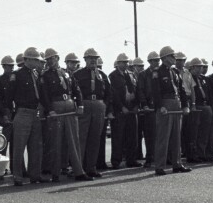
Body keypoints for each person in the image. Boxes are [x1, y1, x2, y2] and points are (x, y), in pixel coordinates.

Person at [39, 49, 91, 182]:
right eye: (48, 59)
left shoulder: (67, 73)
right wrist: (50, 110)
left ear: (57, 57)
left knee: (74, 140)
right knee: (56, 141)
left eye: (52, 58)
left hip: (70, 104)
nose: (50, 61)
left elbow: (76, 89)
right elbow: (44, 95)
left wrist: (80, 105)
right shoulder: (45, 76)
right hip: (56, 106)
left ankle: (79, 171)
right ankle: (55, 173)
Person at [6, 47, 45, 185]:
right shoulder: (16, 75)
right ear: (27, 59)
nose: (36, 62)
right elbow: (9, 96)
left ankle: (35, 175)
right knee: (19, 146)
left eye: (37, 60)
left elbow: (41, 94)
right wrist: (9, 113)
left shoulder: (36, 75)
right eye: (34, 60)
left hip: (35, 113)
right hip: (22, 112)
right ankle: (18, 176)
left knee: (36, 146)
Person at [151, 47, 191, 175]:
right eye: (171, 56)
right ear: (164, 58)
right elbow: (155, 91)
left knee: (176, 137)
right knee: (163, 137)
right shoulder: (157, 72)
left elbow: (182, 90)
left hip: (176, 103)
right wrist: (159, 106)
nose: (174, 58)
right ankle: (160, 166)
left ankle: (177, 164)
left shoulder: (175, 72)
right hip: (165, 104)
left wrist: (185, 105)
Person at [75, 48, 109, 178]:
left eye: (95, 58)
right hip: (85, 104)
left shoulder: (102, 75)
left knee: (95, 138)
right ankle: (79, 168)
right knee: (82, 137)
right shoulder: (78, 74)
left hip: (99, 105)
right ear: (85, 60)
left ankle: (91, 167)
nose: (93, 61)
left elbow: (108, 92)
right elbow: (74, 91)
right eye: (90, 58)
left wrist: (104, 105)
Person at [108, 53, 140, 169]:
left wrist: (137, 105)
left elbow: (137, 91)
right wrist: (121, 107)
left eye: (127, 62)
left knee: (132, 136)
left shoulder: (131, 75)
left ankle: (131, 160)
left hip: (131, 109)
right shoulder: (113, 76)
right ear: (118, 63)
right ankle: (116, 161)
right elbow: (113, 95)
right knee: (118, 137)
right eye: (123, 62)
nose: (126, 64)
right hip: (120, 110)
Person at [137, 51, 160, 167]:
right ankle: (150, 158)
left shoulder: (161, 73)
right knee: (149, 134)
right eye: (155, 60)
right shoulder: (143, 74)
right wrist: (144, 104)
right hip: (149, 107)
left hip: (160, 106)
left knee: (161, 134)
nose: (157, 62)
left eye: (158, 60)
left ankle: (160, 158)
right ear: (149, 62)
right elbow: (140, 90)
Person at [188, 58, 213, 162]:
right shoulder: (188, 78)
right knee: (194, 132)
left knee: (205, 132)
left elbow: (210, 93)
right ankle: (193, 155)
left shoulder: (204, 79)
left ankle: (201, 153)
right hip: (196, 106)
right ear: (192, 67)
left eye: (201, 66)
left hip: (206, 106)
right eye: (198, 66)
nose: (200, 69)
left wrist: (210, 105)